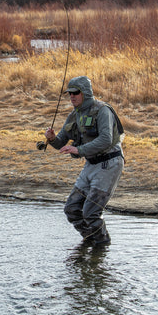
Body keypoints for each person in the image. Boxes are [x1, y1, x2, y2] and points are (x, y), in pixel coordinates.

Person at [45, 76, 124, 246]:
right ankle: (90, 239)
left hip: (109, 164)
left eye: (75, 92)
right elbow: (61, 142)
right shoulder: (75, 115)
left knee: (90, 212)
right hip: (91, 164)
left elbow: (105, 139)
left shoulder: (103, 110)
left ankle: (101, 248)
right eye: (69, 93)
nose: (72, 96)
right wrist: (52, 139)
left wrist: (78, 150)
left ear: (85, 93)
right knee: (72, 209)